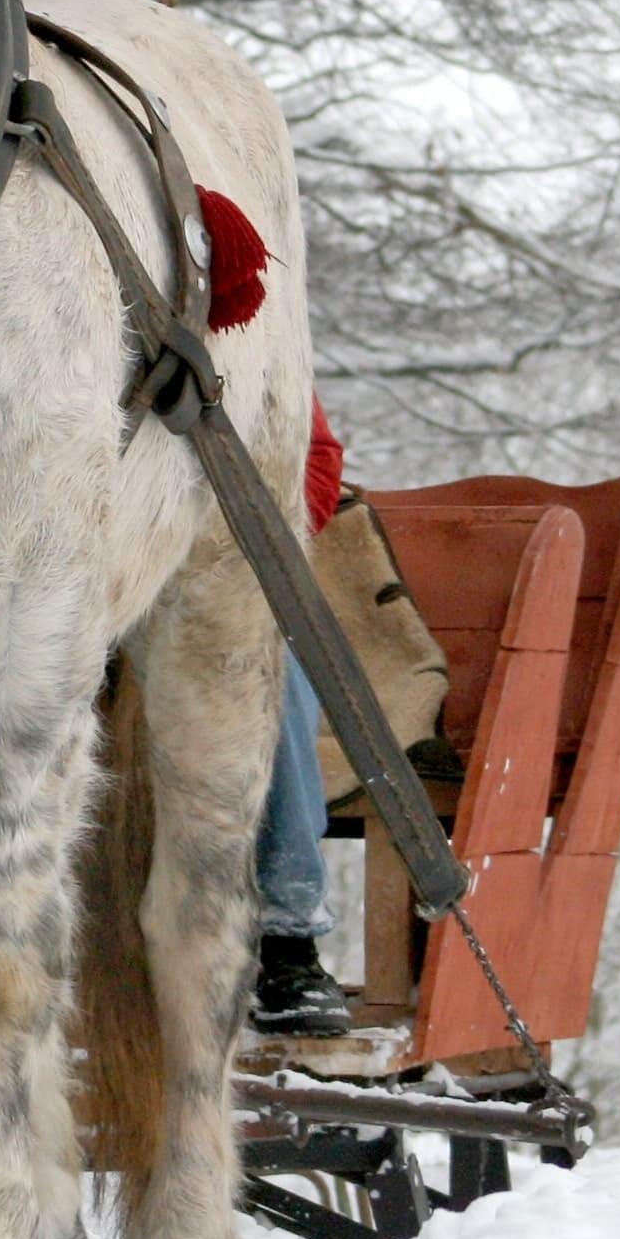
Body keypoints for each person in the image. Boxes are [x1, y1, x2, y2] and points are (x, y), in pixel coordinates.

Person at [252, 399, 357, 1035]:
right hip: (79, 572)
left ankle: (286, 938)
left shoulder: (254, 333)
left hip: (219, 569)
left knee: (273, 668)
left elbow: (317, 460)